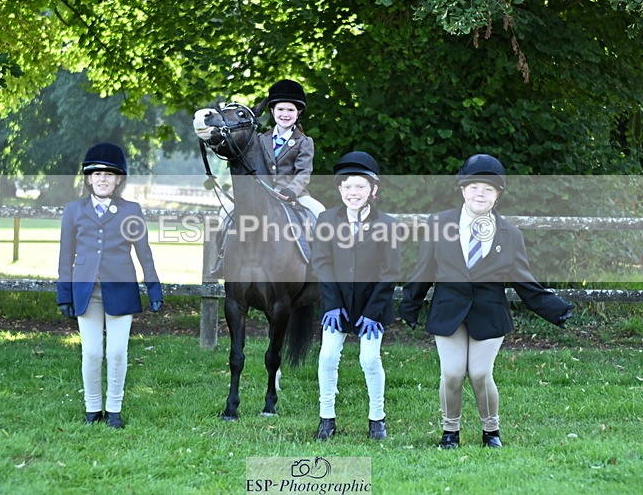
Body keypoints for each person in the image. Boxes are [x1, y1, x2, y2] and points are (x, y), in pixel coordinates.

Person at [398, 154, 573, 449]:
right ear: (462, 190)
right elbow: (424, 269)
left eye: (488, 189)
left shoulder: (510, 235)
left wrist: (556, 310)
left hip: (489, 312)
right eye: (474, 187)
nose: (480, 193)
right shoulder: (439, 223)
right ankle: (450, 432)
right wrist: (410, 306)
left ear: (498, 195)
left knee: (480, 373)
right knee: (452, 373)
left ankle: (491, 431)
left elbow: (524, 280)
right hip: (449, 309)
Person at [56, 142, 163, 429]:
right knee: (92, 352)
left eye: (109, 174)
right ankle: (92, 408)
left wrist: (153, 287)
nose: (103, 179)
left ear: (118, 179)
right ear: (89, 179)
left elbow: (144, 252)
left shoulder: (131, 210)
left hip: (121, 289)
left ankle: (114, 408)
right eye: (97, 174)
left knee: (116, 352)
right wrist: (64, 293)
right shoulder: (73, 210)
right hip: (86, 291)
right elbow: (65, 255)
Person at [311, 151, 401, 441]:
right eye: (347, 186)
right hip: (336, 304)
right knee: (327, 356)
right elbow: (321, 263)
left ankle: (377, 419)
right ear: (340, 189)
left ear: (373, 189)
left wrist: (373, 312)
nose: (353, 192)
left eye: (360, 186)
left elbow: (390, 271)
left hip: (372, 306)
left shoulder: (387, 224)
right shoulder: (326, 219)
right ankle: (326, 418)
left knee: (369, 359)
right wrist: (332, 304)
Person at [194, 79, 324, 277]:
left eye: (290, 110)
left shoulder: (304, 142)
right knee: (226, 212)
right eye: (280, 109)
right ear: (272, 111)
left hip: (293, 195)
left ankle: (317, 265)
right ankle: (222, 259)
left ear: (298, 113)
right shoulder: (261, 139)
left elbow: (303, 172)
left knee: (318, 213)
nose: (285, 114)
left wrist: (291, 191)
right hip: (261, 194)